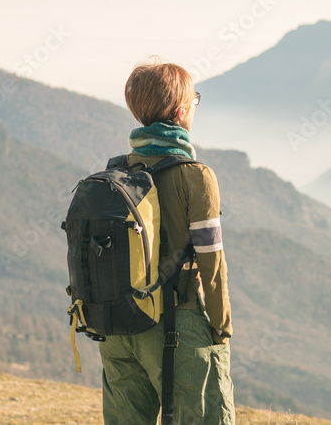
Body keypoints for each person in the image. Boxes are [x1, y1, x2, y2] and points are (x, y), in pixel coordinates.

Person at [99, 59, 235, 424]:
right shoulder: (196, 176)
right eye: (194, 100)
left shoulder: (117, 172)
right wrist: (221, 328)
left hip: (119, 325)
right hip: (179, 324)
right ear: (180, 111)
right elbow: (212, 261)